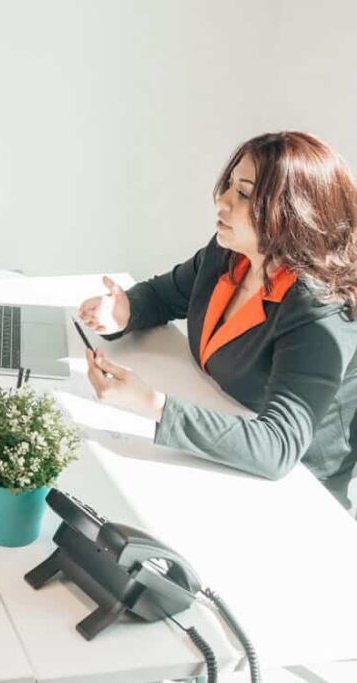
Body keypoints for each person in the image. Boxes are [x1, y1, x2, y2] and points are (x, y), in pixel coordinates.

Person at [78, 131, 357, 515]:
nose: (221, 201)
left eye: (242, 194)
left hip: (297, 494)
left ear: (292, 213)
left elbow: (278, 448)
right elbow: (162, 296)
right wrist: (123, 311)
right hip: (218, 438)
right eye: (228, 185)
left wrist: (151, 403)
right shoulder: (229, 254)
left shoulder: (320, 311)